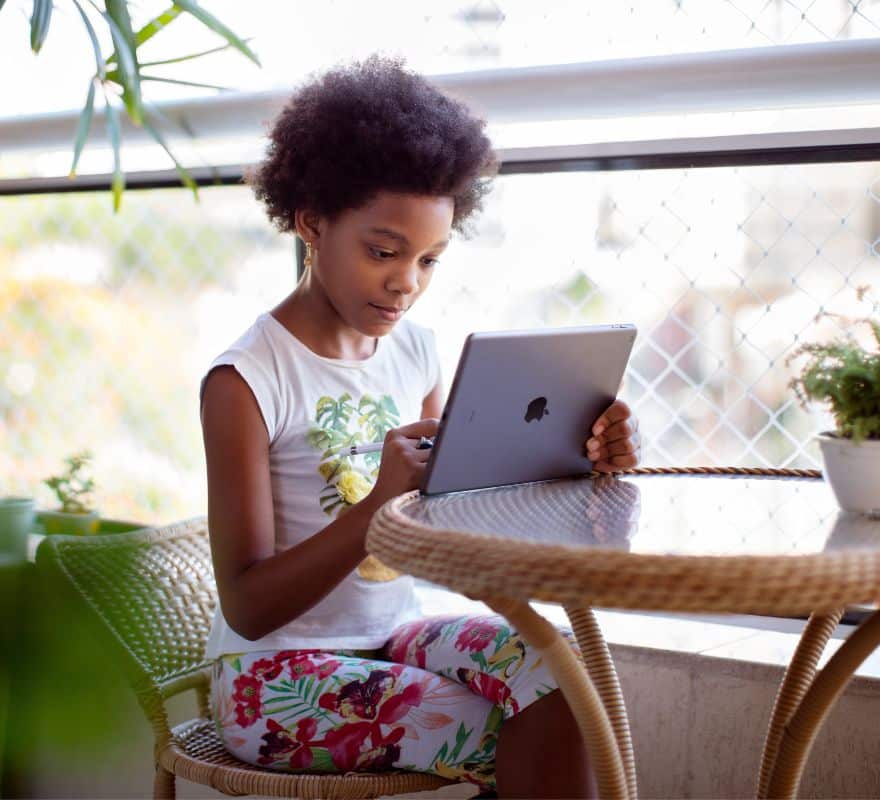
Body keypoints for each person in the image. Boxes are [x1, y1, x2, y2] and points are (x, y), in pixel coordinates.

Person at [200, 55, 642, 799]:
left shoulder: (415, 351)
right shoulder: (247, 379)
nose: (406, 281)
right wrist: (376, 509)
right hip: (270, 675)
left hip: (394, 638)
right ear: (311, 222)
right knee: (501, 722)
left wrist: (583, 456)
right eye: (383, 252)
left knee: (562, 678)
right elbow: (247, 607)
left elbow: (455, 523)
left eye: (430, 259)